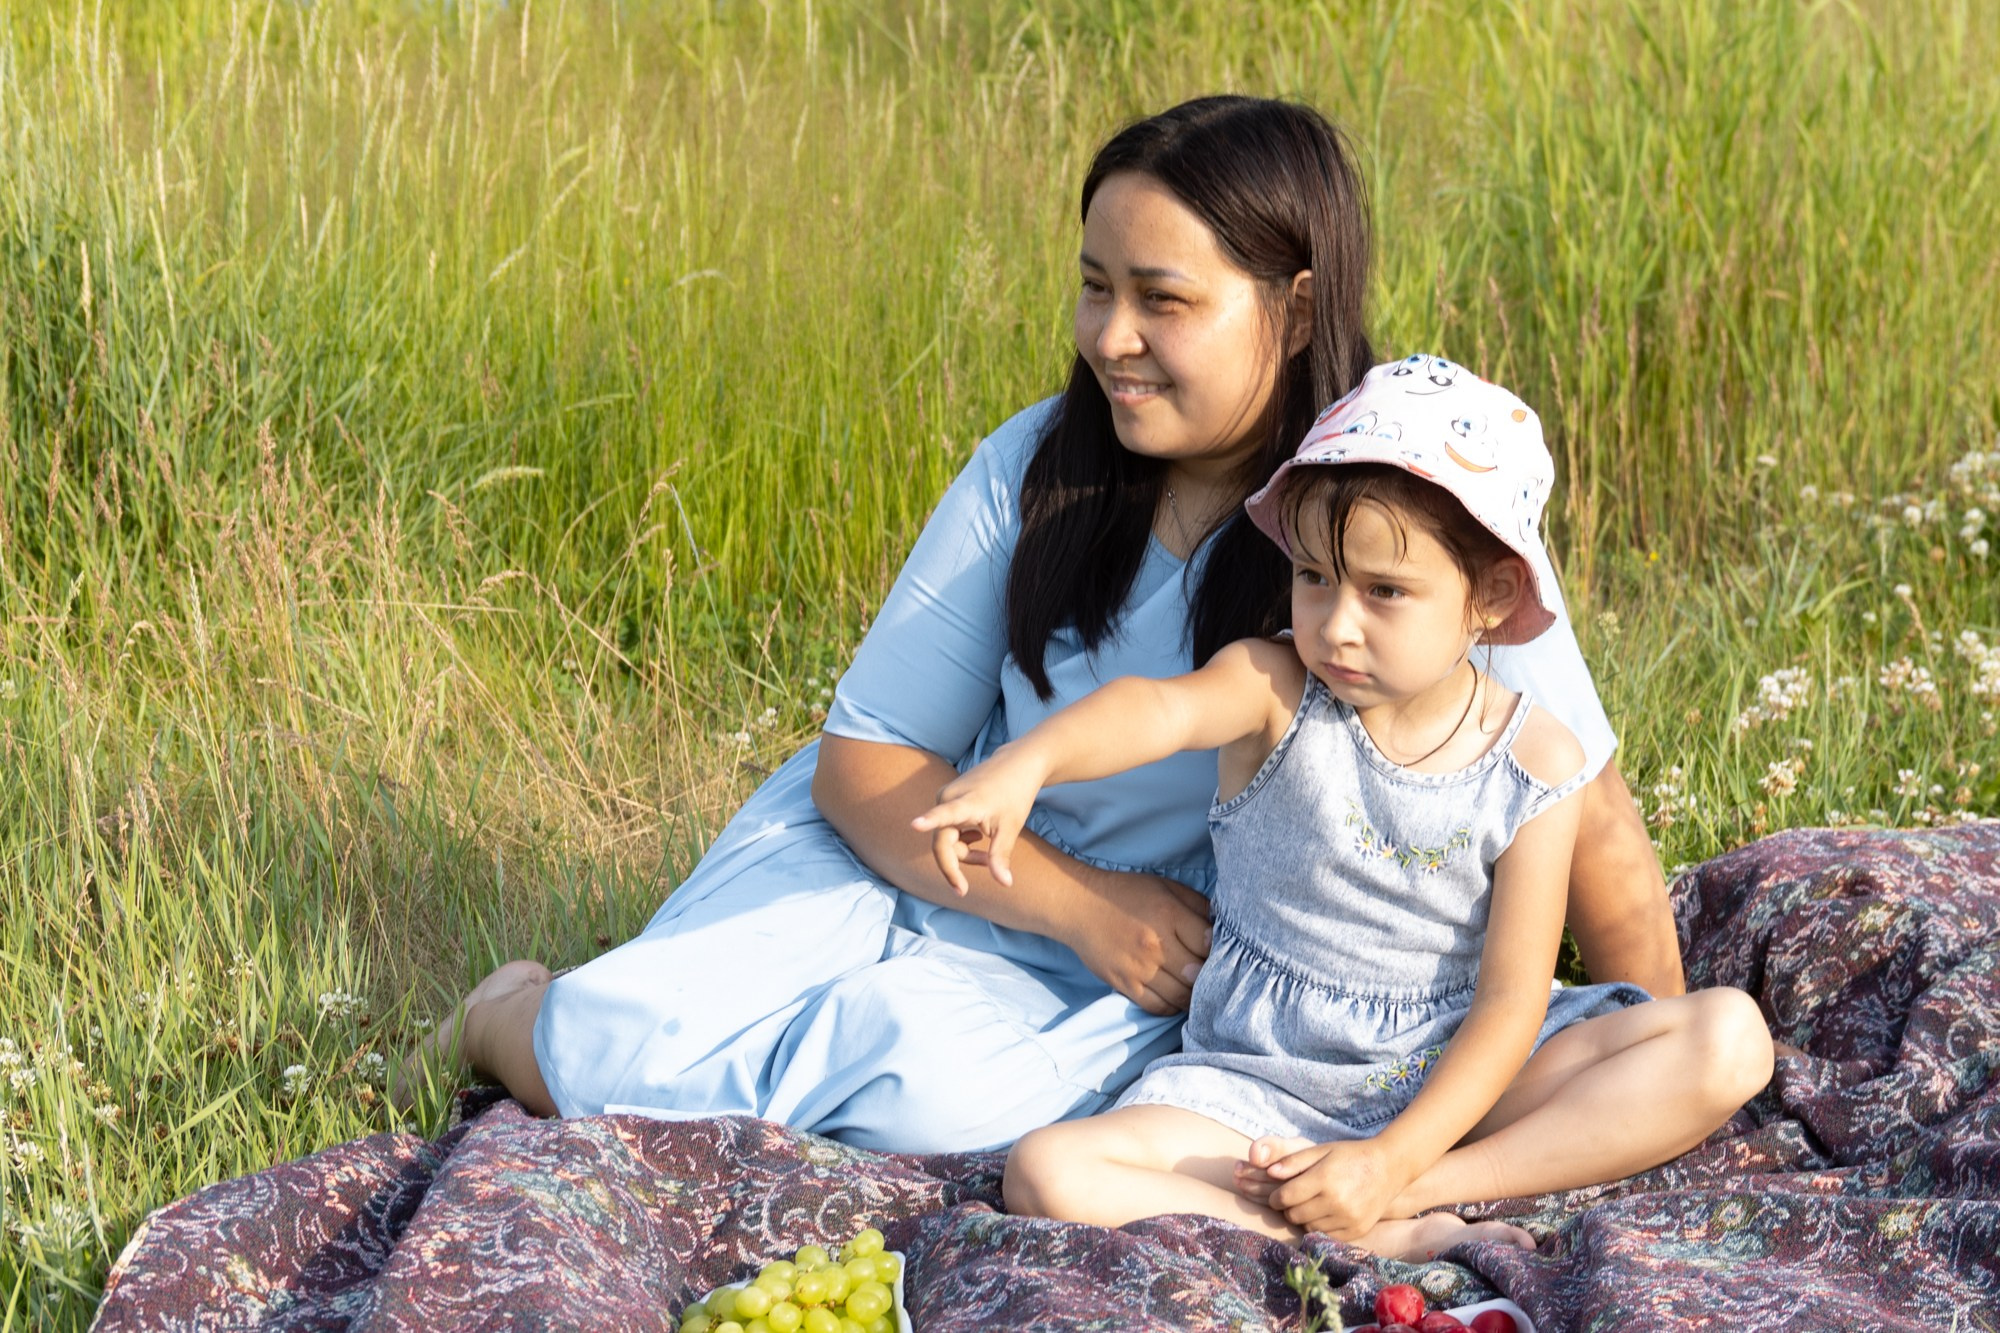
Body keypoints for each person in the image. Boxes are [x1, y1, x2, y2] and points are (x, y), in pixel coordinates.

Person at [400, 96, 1685, 1153]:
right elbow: (871, 765)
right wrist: (1080, 906)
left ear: (1293, 309)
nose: (1110, 339)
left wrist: (1659, 1039)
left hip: (1178, 962)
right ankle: (507, 1014)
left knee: (935, 1109)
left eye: (1161, 300)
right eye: (1092, 289)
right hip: (939, 856)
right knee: (614, 1053)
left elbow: (1591, 824)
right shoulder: (1037, 471)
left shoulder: (1408, 513)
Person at [919, 361, 1771, 1255]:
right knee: (1048, 1171)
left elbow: (1510, 1005)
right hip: (1260, 1089)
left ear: (1489, 597)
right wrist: (1030, 760)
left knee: (1730, 1038)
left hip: (1457, 1076)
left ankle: (1409, 1200)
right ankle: (1354, 1229)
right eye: (1316, 576)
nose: (1337, 623)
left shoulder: (1534, 762)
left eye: (1385, 591)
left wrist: (1394, 1160)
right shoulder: (1274, 688)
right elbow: (1158, 711)